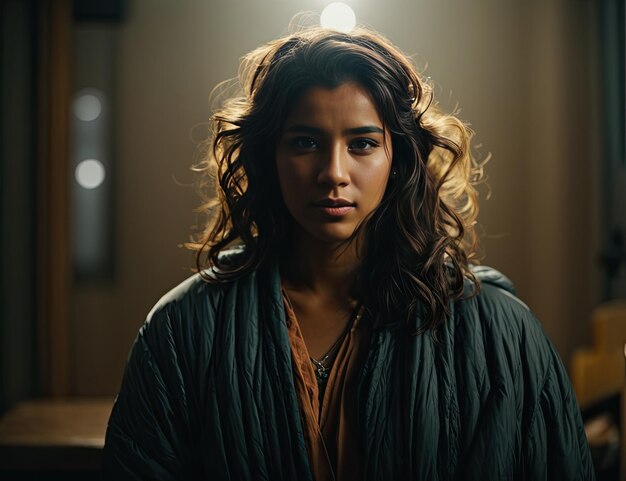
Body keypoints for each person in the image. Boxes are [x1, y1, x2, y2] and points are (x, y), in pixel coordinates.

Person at [102, 26, 595, 481]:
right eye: (305, 142)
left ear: (397, 158)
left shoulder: (498, 332)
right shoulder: (183, 330)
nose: (333, 172)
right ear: (269, 156)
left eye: (361, 143)